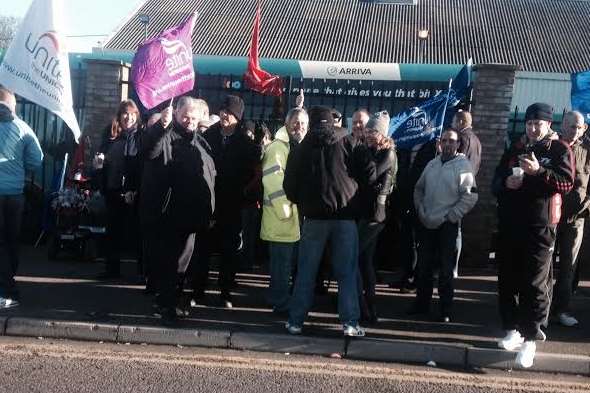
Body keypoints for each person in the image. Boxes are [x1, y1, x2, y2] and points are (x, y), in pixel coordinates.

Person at [492, 103, 574, 368]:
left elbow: (566, 183)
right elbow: (495, 181)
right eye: (529, 123)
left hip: (540, 226)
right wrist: (506, 182)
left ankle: (530, 338)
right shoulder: (516, 149)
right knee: (508, 278)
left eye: (538, 123)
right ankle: (512, 330)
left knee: (534, 282)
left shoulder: (560, 149)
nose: (533, 128)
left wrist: (538, 172)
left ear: (549, 125)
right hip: (511, 225)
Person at [283, 105, 373, 337]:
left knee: (306, 272)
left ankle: (296, 321)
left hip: (313, 218)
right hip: (344, 216)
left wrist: (304, 202)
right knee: (347, 272)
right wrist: (356, 198)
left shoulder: (301, 149)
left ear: (311, 123)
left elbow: (289, 188)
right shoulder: (348, 142)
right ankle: (350, 323)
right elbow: (369, 173)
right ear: (332, 122)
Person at [143, 96, 214, 323]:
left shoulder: (200, 143)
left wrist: (209, 211)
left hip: (194, 216)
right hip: (170, 215)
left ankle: (174, 302)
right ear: (176, 115)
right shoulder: (166, 137)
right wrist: (160, 127)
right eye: (185, 116)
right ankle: (165, 306)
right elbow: (150, 150)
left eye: (193, 117)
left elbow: (210, 177)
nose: (189, 121)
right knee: (169, 264)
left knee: (184, 264)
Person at [198, 95, 261, 308]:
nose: (225, 115)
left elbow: (254, 174)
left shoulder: (246, 143)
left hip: (232, 203)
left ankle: (225, 291)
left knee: (229, 250)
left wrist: (243, 192)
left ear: (238, 117)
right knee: (203, 248)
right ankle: (198, 290)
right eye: (223, 110)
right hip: (208, 202)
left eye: (230, 112)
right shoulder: (207, 136)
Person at [409, 129, 477, 322]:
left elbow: (471, 196)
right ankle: (421, 304)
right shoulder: (432, 163)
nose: (447, 144)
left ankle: (445, 310)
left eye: (452, 141)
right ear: (440, 143)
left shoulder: (463, 166)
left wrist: (451, 216)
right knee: (424, 267)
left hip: (447, 225)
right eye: (444, 140)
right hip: (427, 222)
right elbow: (419, 188)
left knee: (446, 271)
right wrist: (420, 208)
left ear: (458, 144)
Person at [260, 108, 308, 315]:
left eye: (303, 123)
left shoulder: (297, 146)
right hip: (282, 218)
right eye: (295, 122)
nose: (299, 126)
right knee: (281, 265)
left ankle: (279, 298)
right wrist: (286, 212)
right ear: (287, 124)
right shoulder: (278, 148)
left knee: (286, 265)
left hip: (293, 218)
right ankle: (279, 301)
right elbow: (273, 181)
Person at [0, 86, 43, 309]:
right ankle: (9, 286)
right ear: (12, 106)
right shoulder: (23, 128)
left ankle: (5, 289)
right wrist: (20, 167)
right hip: (15, 194)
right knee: (11, 241)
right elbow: (36, 160)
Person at [94, 99, 144, 279]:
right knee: (113, 231)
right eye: (125, 113)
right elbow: (101, 160)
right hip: (113, 188)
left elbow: (141, 165)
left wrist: (135, 188)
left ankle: (143, 272)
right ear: (119, 115)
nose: (129, 117)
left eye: (132, 114)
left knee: (138, 232)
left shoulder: (142, 135)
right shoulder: (110, 134)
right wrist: (99, 166)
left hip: (134, 190)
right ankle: (111, 269)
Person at [356, 111, 397, 324]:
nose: (369, 133)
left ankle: (363, 306)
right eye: (368, 130)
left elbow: (369, 178)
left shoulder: (387, 154)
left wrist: (362, 156)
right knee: (365, 261)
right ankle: (369, 308)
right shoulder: (370, 150)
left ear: (383, 134)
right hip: (365, 211)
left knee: (355, 257)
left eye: (374, 131)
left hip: (375, 216)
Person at [552, 111, 589, 327]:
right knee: (545, 266)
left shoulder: (587, 150)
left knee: (568, 267)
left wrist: (585, 206)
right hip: (552, 215)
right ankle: (541, 310)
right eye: (571, 126)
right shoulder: (552, 146)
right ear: (562, 125)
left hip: (576, 219)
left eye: (579, 127)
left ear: (584, 129)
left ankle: (561, 310)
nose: (575, 130)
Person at [451, 110, 482, 278]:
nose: (452, 124)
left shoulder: (462, 138)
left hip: (458, 187)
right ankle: (453, 266)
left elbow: (457, 162)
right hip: (469, 185)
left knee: (455, 229)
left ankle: (452, 266)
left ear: (461, 122)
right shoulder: (476, 140)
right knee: (458, 228)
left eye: (454, 121)